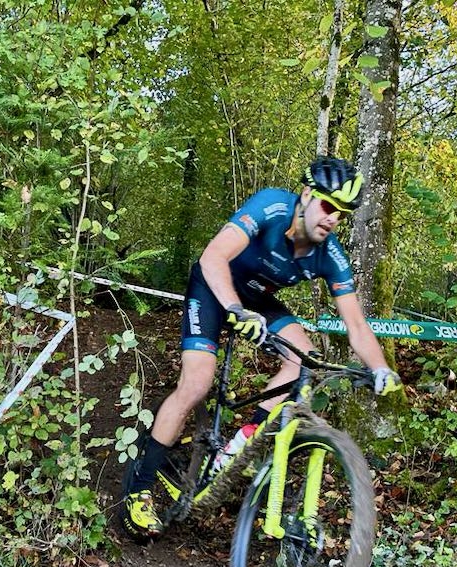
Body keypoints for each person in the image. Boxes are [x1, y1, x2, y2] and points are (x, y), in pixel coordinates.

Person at [122, 156, 399, 538]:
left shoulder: (330, 254)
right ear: (306, 195)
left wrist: (380, 368)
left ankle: (239, 444)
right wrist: (234, 309)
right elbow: (213, 256)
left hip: (258, 300)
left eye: (342, 213)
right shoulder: (271, 206)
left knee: (305, 360)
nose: (333, 218)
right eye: (328, 205)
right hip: (213, 287)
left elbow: (356, 324)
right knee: (197, 384)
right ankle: (138, 490)